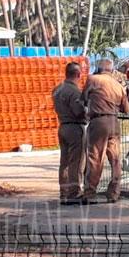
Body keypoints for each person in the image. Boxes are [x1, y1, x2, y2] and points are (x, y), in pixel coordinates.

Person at [82, 59, 129, 203]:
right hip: (114, 122)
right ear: (112, 70)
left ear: (98, 69)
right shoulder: (118, 85)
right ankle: (114, 193)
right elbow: (126, 109)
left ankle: (90, 193)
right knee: (115, 159)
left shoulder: (92, 80)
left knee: (95, 158)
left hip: (98, 122)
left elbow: (83, 99)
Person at [53, 63, 87, 205]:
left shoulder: (57, 90)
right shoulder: (74, 91)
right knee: (76, 162)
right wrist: (88, 111)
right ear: (78, 75)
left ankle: (64, 193)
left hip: (62, 126)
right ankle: (74, 193)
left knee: (64, 162)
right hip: (75, 128)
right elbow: (78, 111)